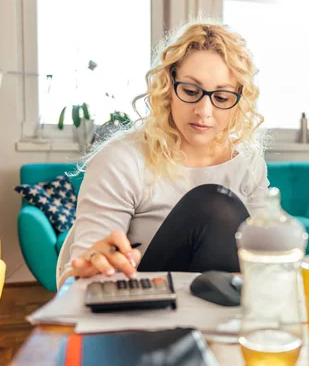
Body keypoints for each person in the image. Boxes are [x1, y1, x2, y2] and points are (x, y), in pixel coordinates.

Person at [58, 20, 268, 287]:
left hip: (223, 316)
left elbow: (264, 257)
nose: (204, 111)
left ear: (239, 100)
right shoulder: (122, 160)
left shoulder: (248, 162)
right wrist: (92, 264)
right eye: (191, 91)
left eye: (222, 98)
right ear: (168, 86)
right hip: (146, 307)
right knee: (215, 205)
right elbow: (74, 277)